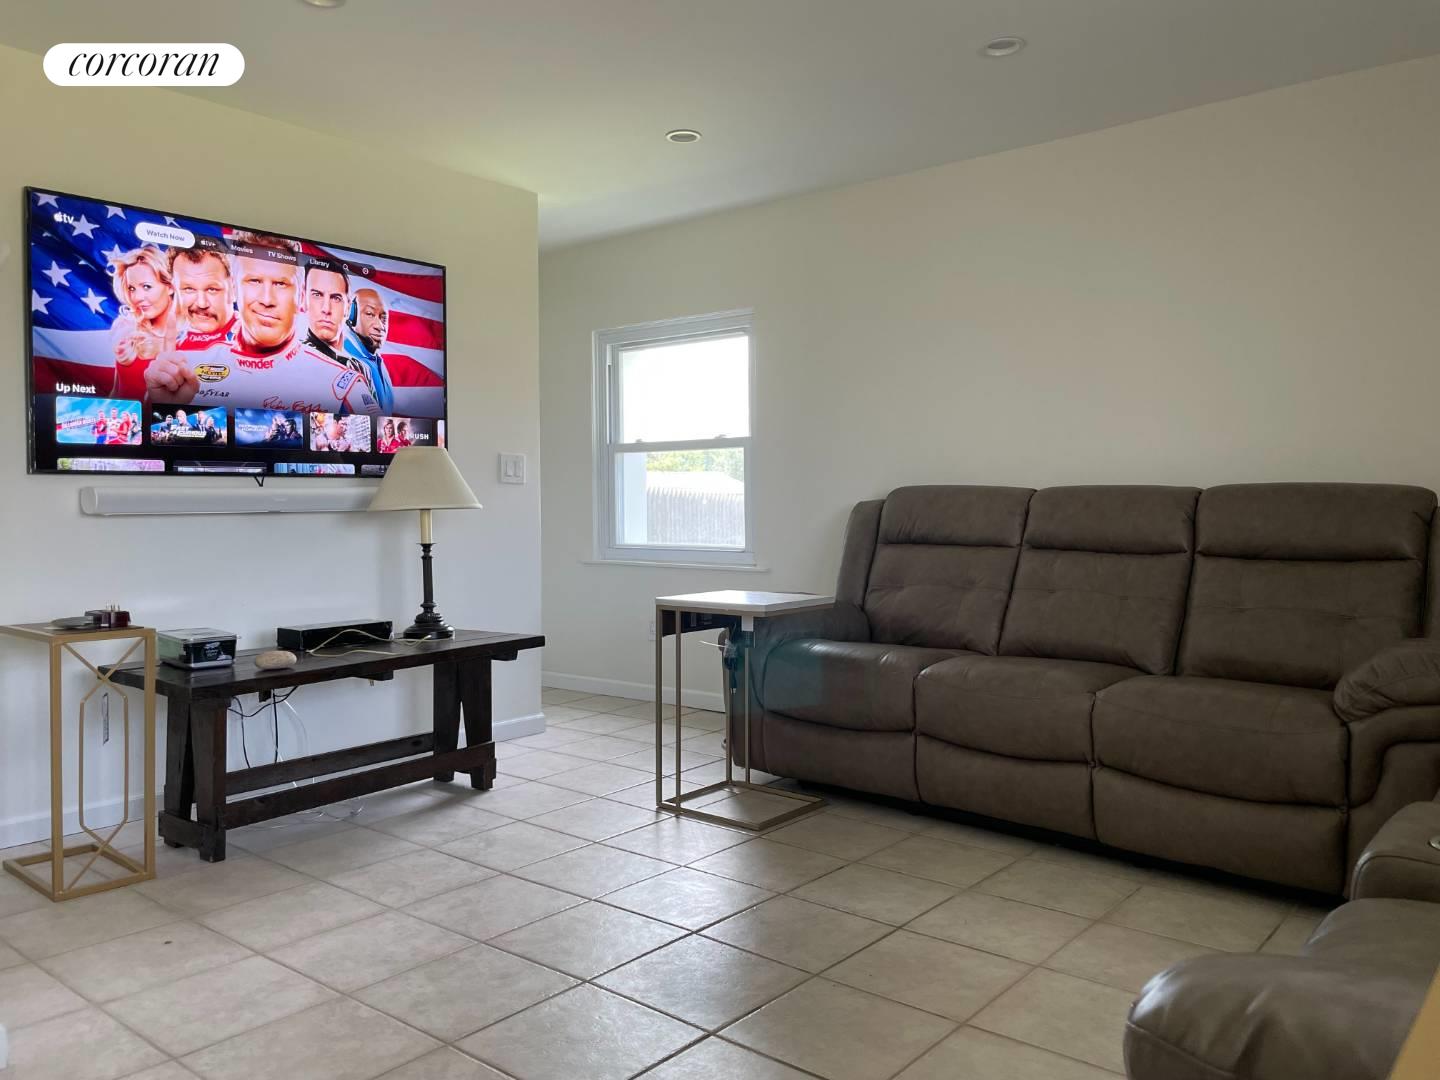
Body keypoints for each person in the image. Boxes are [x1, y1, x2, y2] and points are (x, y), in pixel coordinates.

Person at [142, 232, 380, 416]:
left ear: (301, 297)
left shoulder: (343, 385)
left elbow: (383, 452)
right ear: (234, 289)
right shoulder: (186, 372)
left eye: (280, 284)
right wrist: (160, 407)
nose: (267, 300)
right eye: (254, 281)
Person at [108, 246, 177, 400]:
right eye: (131, 288)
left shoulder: (191, 337)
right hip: (123, 415)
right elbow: (116, 391)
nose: (137, 297)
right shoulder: (127, 330)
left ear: (170, 287)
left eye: (146, 287)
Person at [341, 287, 395, 413]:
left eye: (384, 318)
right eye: (370, 314)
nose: (380, 326)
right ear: (351, 316)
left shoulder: (377, 361)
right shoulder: (344, 360)